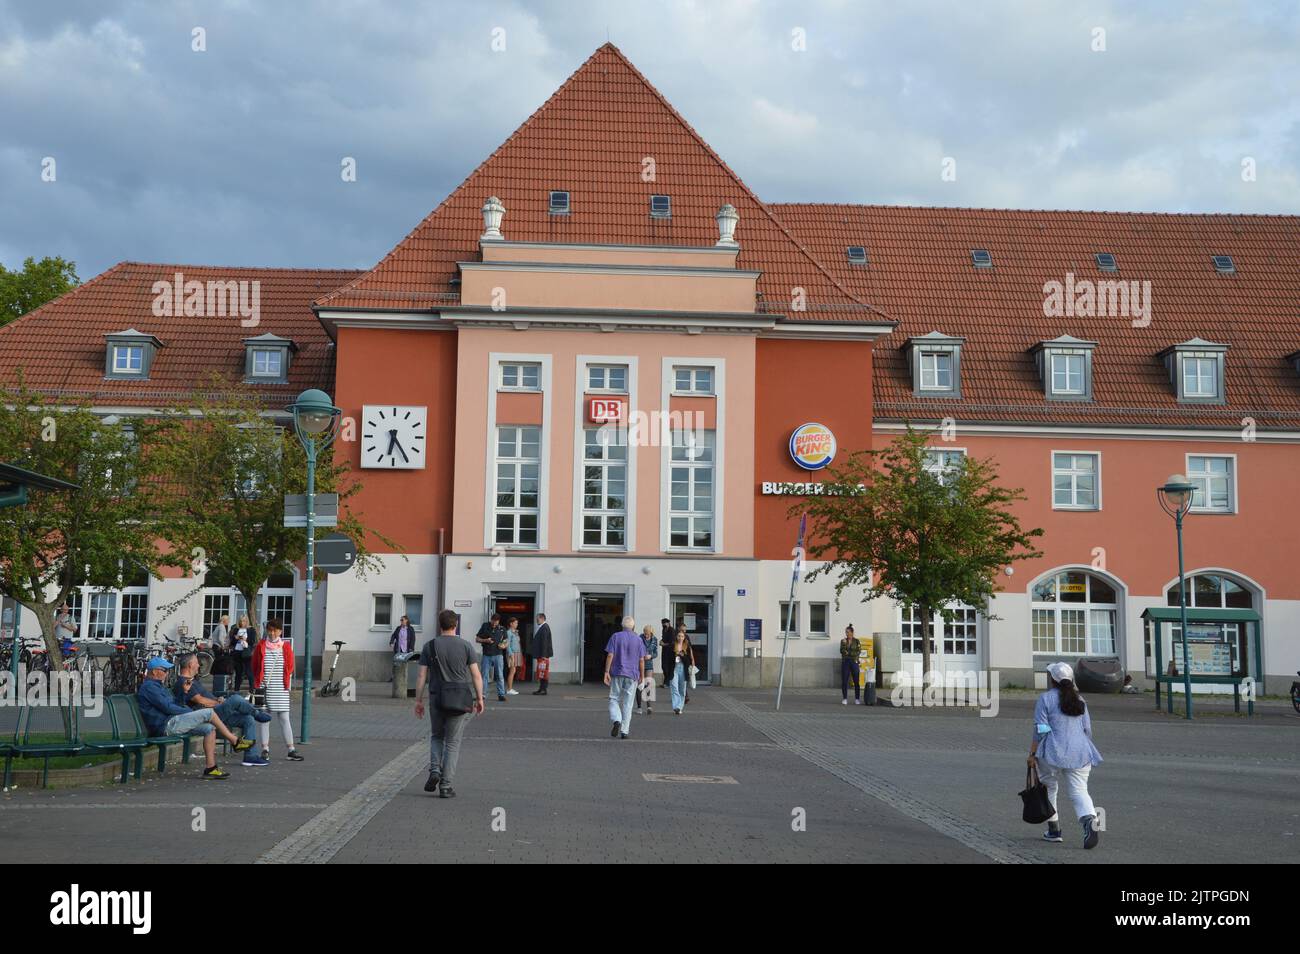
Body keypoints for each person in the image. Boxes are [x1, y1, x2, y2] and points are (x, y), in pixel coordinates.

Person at [1028, 661, 1104, 849]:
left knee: (1049, 788)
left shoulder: (1045, 699)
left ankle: (1054, 830)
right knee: (1079, 790)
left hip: (1052, 751)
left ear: (1052, 680)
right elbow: (1087, 730)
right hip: (1080, 752)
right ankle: (1089, 821)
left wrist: (1032, 753)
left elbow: (1041, 729)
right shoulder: (1080, 701)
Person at [415, 608, 486, 798]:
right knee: (453, 742)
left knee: (437, 736)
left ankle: (434, 771)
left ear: (440, 625)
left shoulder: (429, 646)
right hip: (459, 700)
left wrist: (418, 700)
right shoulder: (466, 646)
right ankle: (445, 786)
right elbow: (476, 675)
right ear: (456, 625)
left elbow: (422, 675)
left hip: (436, 698)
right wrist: (479, 698)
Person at [136, 657, 245, 780]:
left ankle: (211, 768)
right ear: (155, 671)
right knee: (208, 713)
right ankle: (235, 741)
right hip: (164, 725)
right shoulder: (150, 688)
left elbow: (175, 704)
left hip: (172, 721)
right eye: (165, 670)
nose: (167, 673)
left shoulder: (159, 686)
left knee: (209, 728)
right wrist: (190, 712)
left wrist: (184, 692)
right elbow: (167, 708)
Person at [173, 652, 272, 766]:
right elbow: (200, 700)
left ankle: (250, 756)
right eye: (197, 663)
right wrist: (217, 702)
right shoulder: (184, 682)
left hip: (216, 712)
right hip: (207, 715)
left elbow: (205, 697)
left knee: (247, 719)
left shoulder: (193, 680)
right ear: (190, 665)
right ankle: (257, 713)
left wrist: (218, 699)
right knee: (235, 699)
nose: (199, 665)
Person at [249, 618, 302, 761]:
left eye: (275, 630)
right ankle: (265, 749)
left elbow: (290, 667)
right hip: (264, 687)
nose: (272, 633)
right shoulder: (261, 646)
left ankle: (291, 749)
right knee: (265, 719)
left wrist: (287, 685)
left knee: (285, 718)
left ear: (280, 631)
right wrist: (259, 682)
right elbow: (255, 666)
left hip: (281, 687)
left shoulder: (285, 647)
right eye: (270, 630)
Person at [604, 615, 645, 739]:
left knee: (613, 698)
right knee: (628, 703)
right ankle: (624, 731)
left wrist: (606, 671)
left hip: (617, 672)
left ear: (622, 625)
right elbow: (641, 660)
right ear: (633, 626)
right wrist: (642, 676)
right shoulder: (638, 640)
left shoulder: (616, 636)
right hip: (632, 674)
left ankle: (617, 719)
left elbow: (610, 655)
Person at [474, 613, 507, 702]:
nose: (494, 623)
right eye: (492, 621)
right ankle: (482, 694)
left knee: (499, 675)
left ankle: (501, 695)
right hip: (486, 655)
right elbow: (477, 639)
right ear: (491, 619)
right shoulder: (485, 626)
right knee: (484, 675)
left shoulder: (502, 629)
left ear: (498, 621)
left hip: (498, 655)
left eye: (496, 622)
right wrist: (485, 640)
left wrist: (503, 646)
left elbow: (506, 641)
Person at [667, 625, 695, 715]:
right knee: (674, 688)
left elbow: (689, 661)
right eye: (679, 636)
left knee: (682, 689)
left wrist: (683, 656)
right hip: (674, 668)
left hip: (683, 669)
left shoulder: (687, 647)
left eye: (682, 636)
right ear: (676, 636)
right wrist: (675, 655)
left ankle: (680, 707)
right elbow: (668, 659)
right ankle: (676, 706)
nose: (680, 638)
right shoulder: (672, 646)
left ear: (684, 637)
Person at [230, 614, 257, 691]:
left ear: (247, 621)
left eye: (244, 621)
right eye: (241, 621)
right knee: (238, 673)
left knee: (249, 672)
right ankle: (236, 690)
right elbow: (232, 642)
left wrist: (245, 639)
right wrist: (236, 638)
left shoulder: (251, 630)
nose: (242, 623)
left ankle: (252, 689)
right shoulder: (235, 629)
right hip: (237, 653)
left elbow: (252, 641)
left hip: (246, 653)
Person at [530, 613, 553, 696]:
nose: (536, 620)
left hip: (543, 655)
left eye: (538, 619)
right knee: (542, 671)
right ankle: (542, 689)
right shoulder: (543, 627)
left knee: (543, 671)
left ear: (542, 618)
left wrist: (543, 655)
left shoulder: (544, 628)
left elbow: (544, 642)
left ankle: (543, 689)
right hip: (542, 654)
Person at [637, 624, 658, 715]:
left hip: (649, 664)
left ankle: (649, 706)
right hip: (640, 663)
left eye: (647, 634)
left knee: (648, 684)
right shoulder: (639, 638)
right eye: (645, 633)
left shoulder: (654, 640)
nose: (646, 635)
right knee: (640, 685)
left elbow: (656, 653)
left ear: (651, 632)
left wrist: (651, 656)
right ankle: (639, 707)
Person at [839, 624, 862, 705]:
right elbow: (842, 651)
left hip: (854, 662)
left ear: (852, 632)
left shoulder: (857, 641)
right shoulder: (843, 641)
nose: (846, 634)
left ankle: (857, 698)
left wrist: (849, 653)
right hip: (846, 662)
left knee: (856, 681)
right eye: (846, 632)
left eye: (848, 632)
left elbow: (858, 651)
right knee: (844, 681)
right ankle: (844, 698)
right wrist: (845, 645)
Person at [504, 616, 523, 696]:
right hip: (512, 653)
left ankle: (510, 688)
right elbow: (507, 644)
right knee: (512, 671)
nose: (517, 624)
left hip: (517, 653)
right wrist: (511, 654)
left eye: (517, 623)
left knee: (513, 671)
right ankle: (509, 689)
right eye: (515, 623)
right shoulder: (508, 632)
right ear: (511, 623)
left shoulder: (515, 632)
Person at [659, 618, 674, 689]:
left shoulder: (672, 630)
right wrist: (661, 641)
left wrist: (664, 644)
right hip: (664, 651)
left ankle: (667, 683)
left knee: (668, 667)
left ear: (668, 623)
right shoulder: (664, 630)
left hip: (670, 652)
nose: (663, 625)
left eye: (665, 623)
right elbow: (663, 639)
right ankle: (666, 682)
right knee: (664, 666)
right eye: (662, 623)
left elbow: (672, 643)